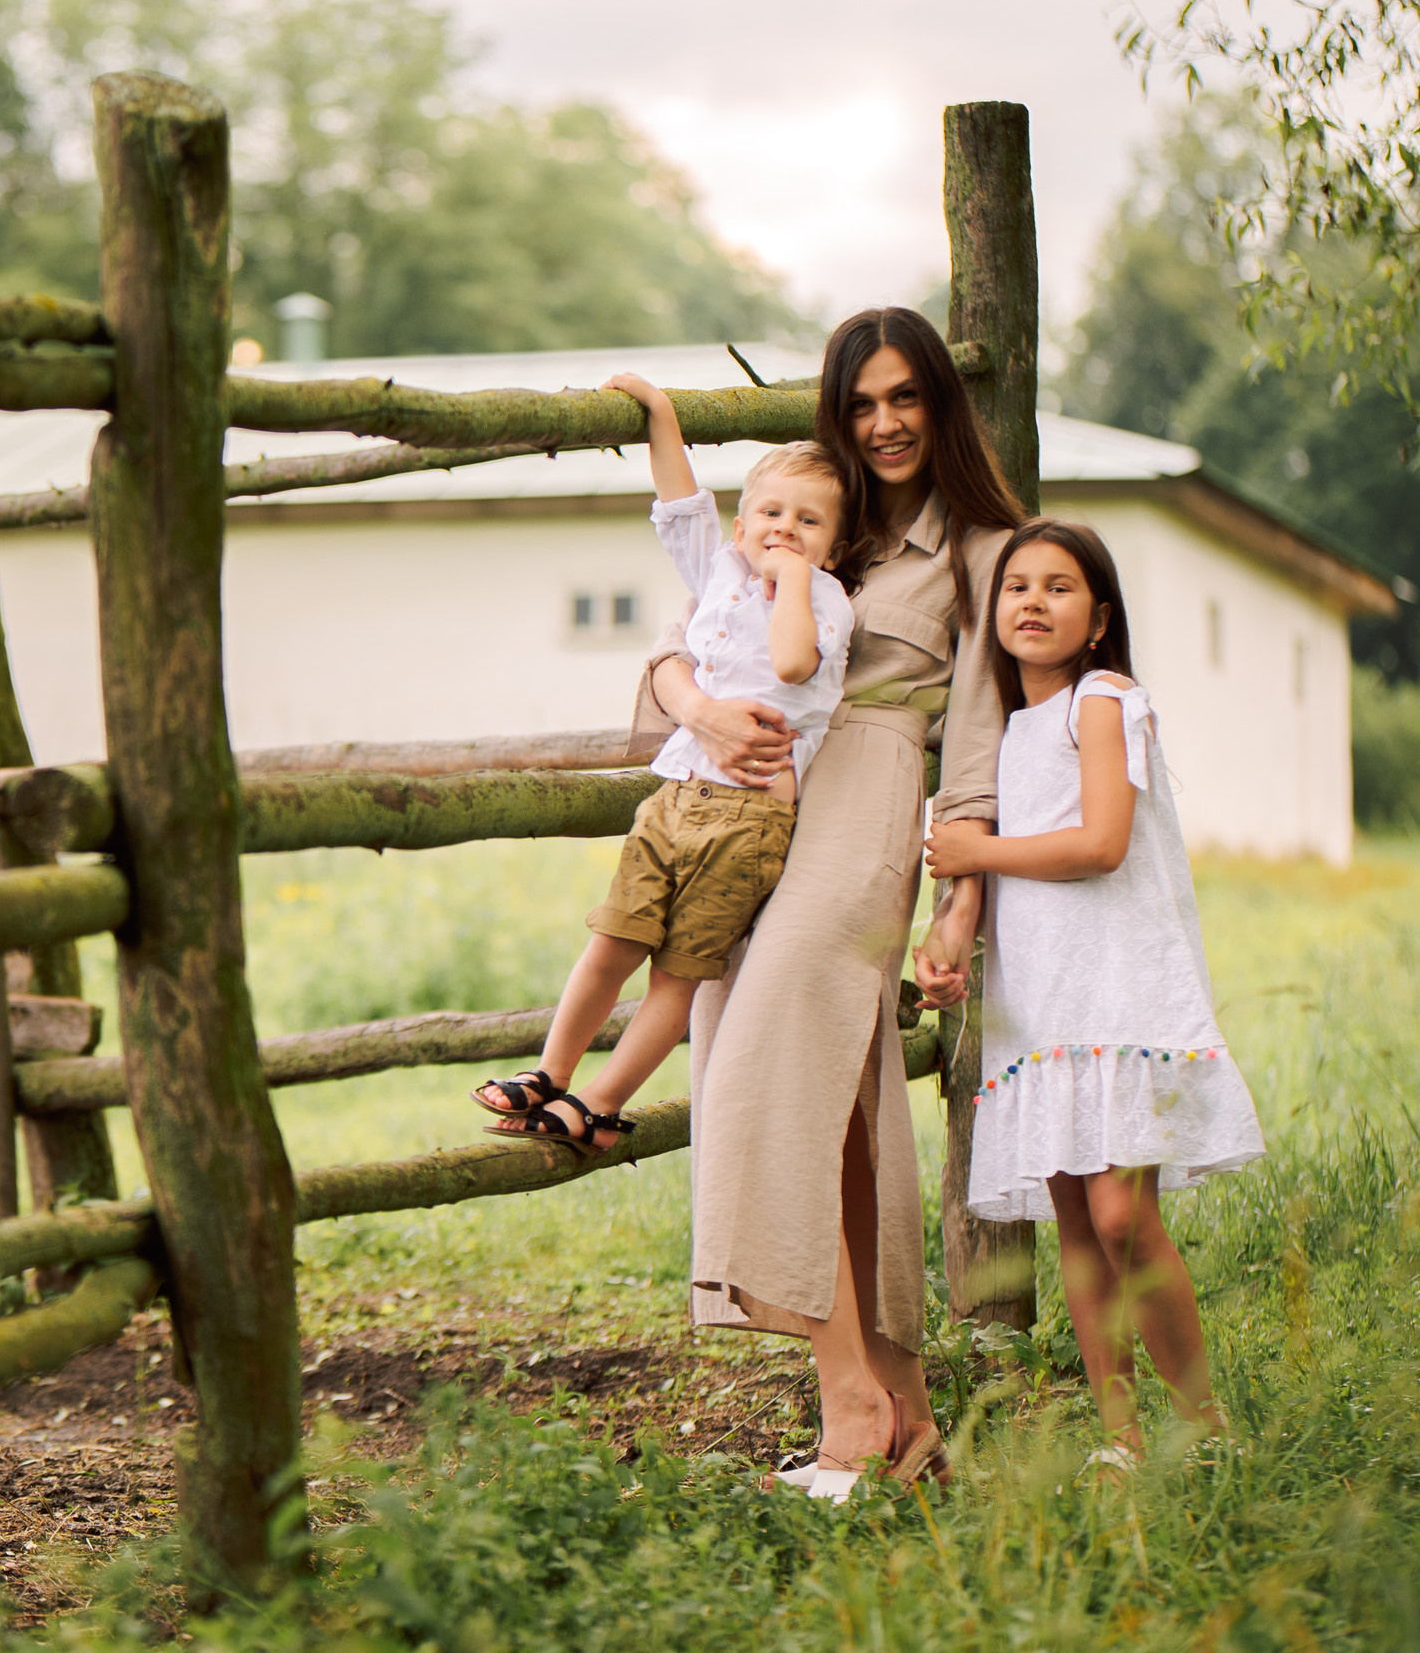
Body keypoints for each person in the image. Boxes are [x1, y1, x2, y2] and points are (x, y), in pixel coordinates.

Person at [651, 307, 1023, 1498]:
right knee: (835, 1098)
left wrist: (957, 900)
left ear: (940, 403)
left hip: (868, 798)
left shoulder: (978, 545)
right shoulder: (808, 511)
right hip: (757, 803)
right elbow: (683, 640)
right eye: (861, 403)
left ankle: (853, 1403)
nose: (883, 423)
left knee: (764, 1052)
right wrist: (698, 710)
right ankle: (897, 1414)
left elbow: (978, 734)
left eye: (905, 397)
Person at [917, 519, 1260, 1455]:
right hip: (1043, 998)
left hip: (1117, 991)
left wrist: (977, 851)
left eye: (1059, 586)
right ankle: (1122, 1437)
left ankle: (1204, 1425)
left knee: (1121, 1215)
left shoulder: (1103, 700)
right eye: (1016, 585)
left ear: (1100, 619)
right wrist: (953, 926)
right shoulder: (1002, 732)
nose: (1033, 601)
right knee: (1074, 1219)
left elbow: (1102, 843)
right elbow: (981, 858)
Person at [474, 381, 853, 1150]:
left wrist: (793, 579)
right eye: (771, 514)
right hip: (675, 798)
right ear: (741, 527)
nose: (785, 528)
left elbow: (790, 663)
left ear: (834, 548)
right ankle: (550, 1071)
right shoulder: (719, 573)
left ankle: (599, 1103)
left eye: (808, 521)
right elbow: (681, 502)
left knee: (674, 978)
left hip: (748, 823)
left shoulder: (826, 601)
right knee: (611, 942)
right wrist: (661, 413)